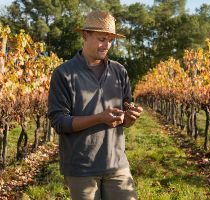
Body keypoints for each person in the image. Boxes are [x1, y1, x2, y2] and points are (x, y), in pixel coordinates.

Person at [47, 10, 143, 200]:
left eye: (110, 40)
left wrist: (129, 117)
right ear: (85, 35)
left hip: (117, 163)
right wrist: (99, 118)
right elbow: (59, 122)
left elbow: (124, 119)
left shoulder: (119, 71)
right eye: (101, 39)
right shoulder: (64, 74)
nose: (106, 45)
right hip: (81, 168)